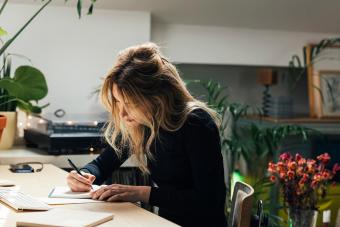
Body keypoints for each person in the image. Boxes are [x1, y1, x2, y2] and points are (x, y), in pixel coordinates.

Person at [66, 42, 227, 227]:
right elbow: (103, 164)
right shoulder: (143, 123)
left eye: (130, 104)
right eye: (118, 102)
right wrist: (84, 175)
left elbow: (208, 202)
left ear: (157, 98)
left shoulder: (196, 123)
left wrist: (142, 193)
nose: (122, 114)